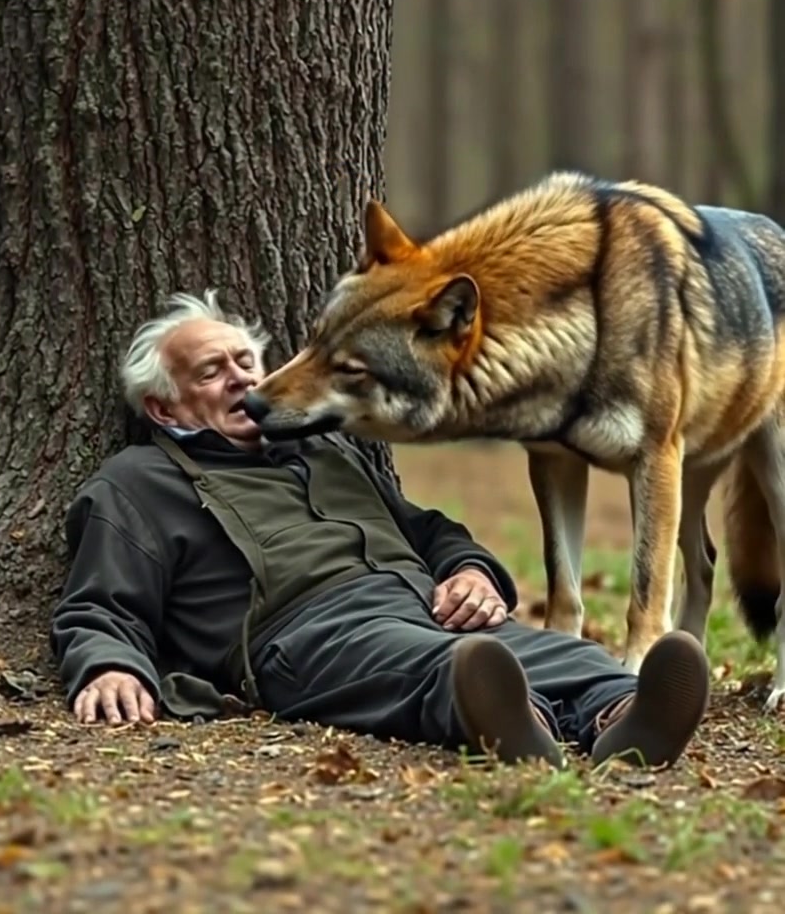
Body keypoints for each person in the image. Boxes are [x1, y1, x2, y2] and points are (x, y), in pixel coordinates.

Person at [50, 290, 711, 769]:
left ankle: (623, 720)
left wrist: (470, 571)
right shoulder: (136, 482)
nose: (242, 380)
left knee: (566, 658)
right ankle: (512, 722)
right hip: (304, 635)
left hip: (421, 606)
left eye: (246, 363)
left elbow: (428, 530)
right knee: (438, 664)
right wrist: (107, 665)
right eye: (212, 371)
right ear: (164, 406)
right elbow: (100, 603)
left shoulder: (325, 451)